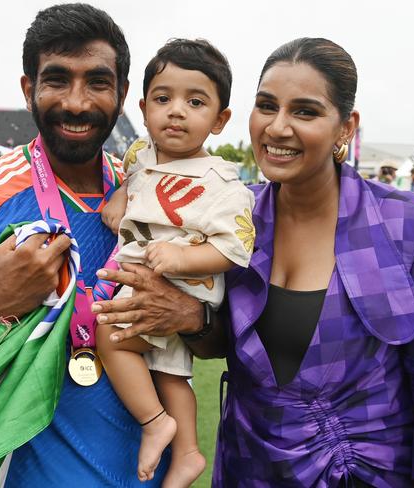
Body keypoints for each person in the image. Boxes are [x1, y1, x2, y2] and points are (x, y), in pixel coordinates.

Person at [94, 37, 414, 486]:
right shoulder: (233, 217)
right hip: (247, 468)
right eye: (266, 106)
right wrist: (191, 317)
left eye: (305, 111)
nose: (278, 127)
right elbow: (219, 346)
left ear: (345, 126)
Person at [0, 4, 173, 486]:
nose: (75, 102)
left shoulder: (148, 194)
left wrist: (191, 316)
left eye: (97, 81)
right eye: (57, 80)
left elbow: (209, 335)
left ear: (123, 94)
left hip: (151, 472)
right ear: (29, 90)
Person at [98, 39, 254, 486]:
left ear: (220, 119)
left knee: (111, 336)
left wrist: (184, 257)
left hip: (182, 283)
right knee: (169, 373)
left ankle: (154, 423)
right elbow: (139, 176)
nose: (176, 111)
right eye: (163, 99)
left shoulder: (223, 184)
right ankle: (187, 453)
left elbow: (232, 251)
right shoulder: (140, 156)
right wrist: (122, 195)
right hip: (148, 274)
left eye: (195, 101)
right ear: (144, 108)